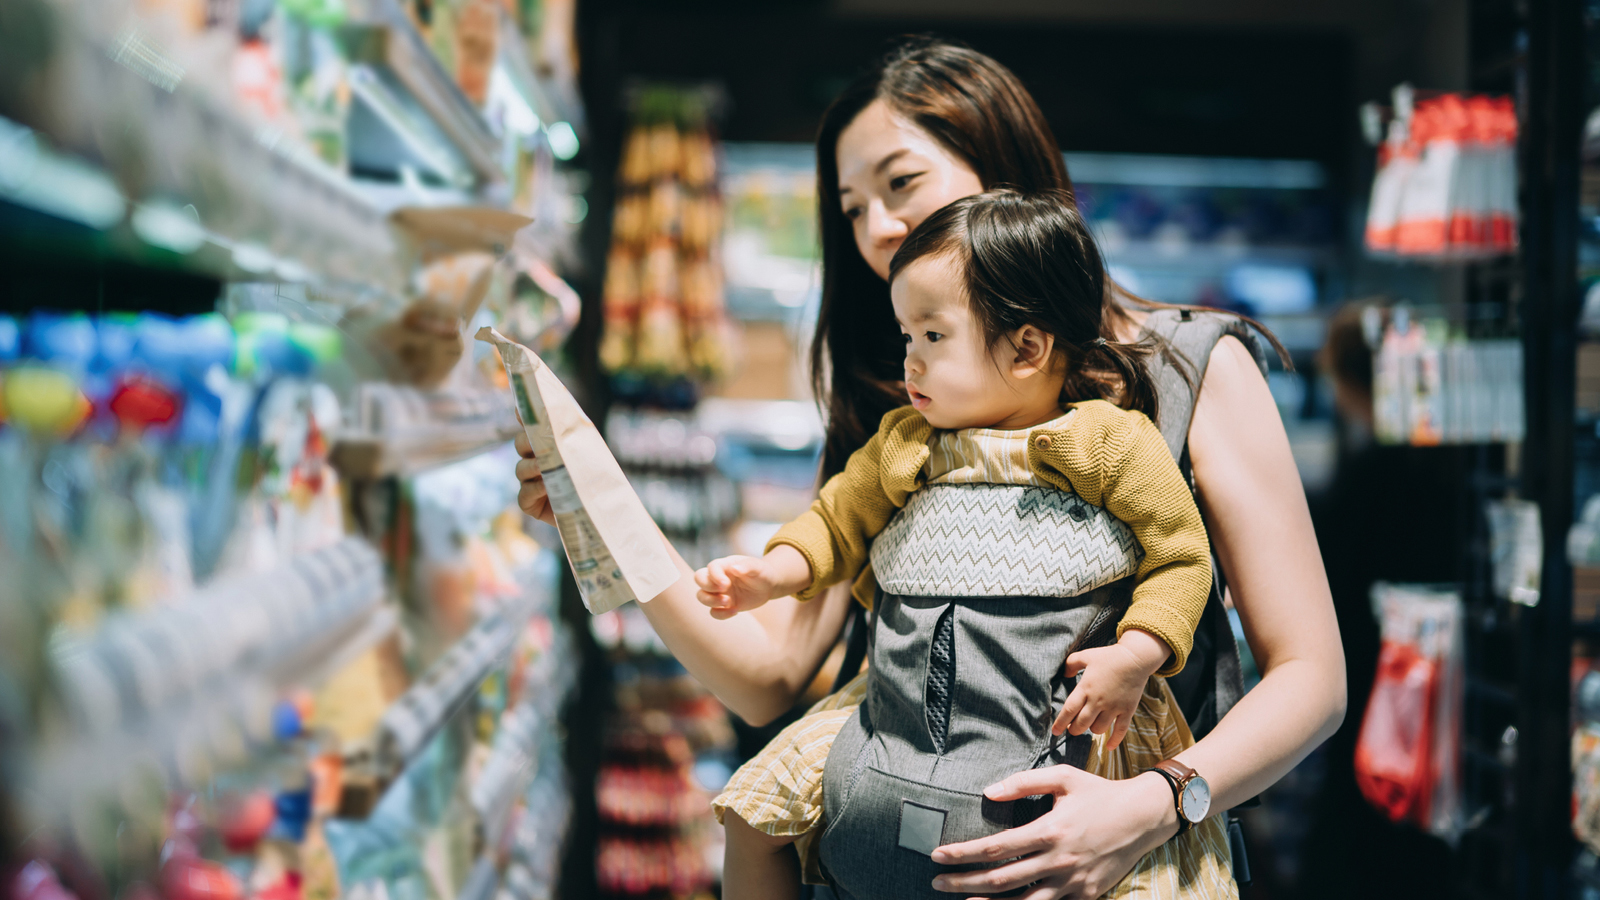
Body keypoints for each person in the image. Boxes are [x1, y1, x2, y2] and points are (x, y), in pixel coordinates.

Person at [516, 37, 1345, 899]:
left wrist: (1153, 803)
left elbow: (1312, 680)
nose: (876, 226)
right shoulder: (910, 414)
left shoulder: (1188, 367)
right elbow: (769, 675)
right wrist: (611, 522)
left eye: (900, 183)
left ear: (1006, 172)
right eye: (851, 207)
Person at [699, 189, 1231, 900]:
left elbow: (1181, 556)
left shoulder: (1107, 441)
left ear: (1028, 348)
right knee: (752, 809)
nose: (910, 361)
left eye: (933, 336)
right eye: (906, 337)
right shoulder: (905, 444)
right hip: (894, 704)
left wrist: (1135, 655)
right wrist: (770, 574)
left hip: (1084, 719)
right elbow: (835, 522)